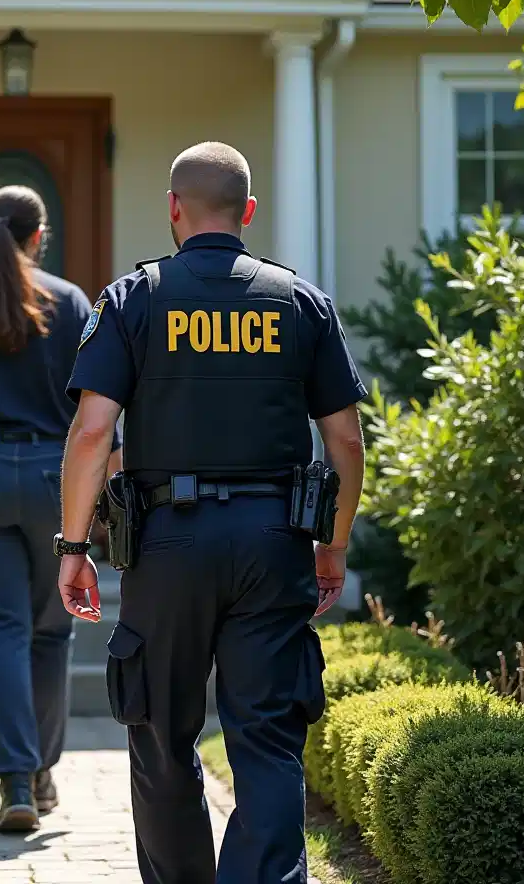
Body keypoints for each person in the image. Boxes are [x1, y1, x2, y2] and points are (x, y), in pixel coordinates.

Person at [55, 142, 366, 884]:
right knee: (267, 736)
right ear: (247, 212)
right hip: (274, 540)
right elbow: (347, 438)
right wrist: (335, 543)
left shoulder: (133, 298)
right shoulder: (300, 301)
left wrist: (73, 545)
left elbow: (93, 432)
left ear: (173, 208)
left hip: (168, 543)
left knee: (160, 731)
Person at [0, 186, 121, 833]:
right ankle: (41, 772)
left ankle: (15, 778)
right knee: (52, 631)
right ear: (41, 237)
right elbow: (93, 416)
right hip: (52, 480)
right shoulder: (70, 302)